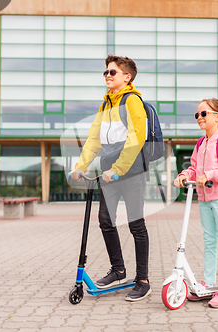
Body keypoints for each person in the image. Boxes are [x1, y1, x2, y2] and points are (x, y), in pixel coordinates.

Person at [70, 55, 150, 302]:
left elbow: (137, 137)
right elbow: (94, 139)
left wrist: (118, 168)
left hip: (131, 172)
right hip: (108, 173)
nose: (107, 75)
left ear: (127, 77)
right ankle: (118, 270)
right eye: (105, 72)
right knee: (105, 220)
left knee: (136, 225)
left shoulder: (132, 101)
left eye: (112, 72)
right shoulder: (105, 105)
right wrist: (79, 166)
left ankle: (143, 280)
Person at [174, 98, 218, 308]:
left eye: (203, 114)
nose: (199, 118)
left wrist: (210, 174)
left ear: (217, 117)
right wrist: (185, 174)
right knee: (209, 241)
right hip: (203, 198)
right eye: (197, 115)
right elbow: (194, 168)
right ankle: (208, 283)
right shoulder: (201, 143)